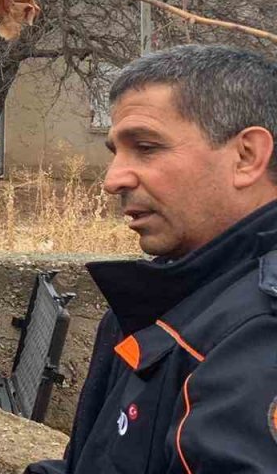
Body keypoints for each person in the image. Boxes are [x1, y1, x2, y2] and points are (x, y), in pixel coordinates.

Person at [26, 45, 277, 474]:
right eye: (115, 152)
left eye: (145, 147)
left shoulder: (258, 337)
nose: (113, 179)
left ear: (247, 157)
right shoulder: (175, 291)